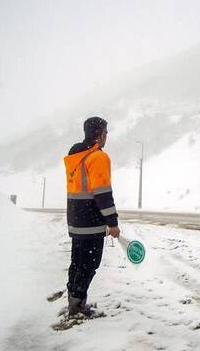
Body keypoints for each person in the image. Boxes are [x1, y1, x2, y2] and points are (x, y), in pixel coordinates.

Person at [63, 116, 120, 316]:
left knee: (77, 262)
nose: (107, 136)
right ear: (98, 135)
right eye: (105, 132)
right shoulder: (98, 157)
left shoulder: (76, 156)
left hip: (76, 220)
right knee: (89, 264)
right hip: (91, 222)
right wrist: (112, 223)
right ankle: (77, 307)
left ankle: (73, 300)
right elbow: (103, 194)